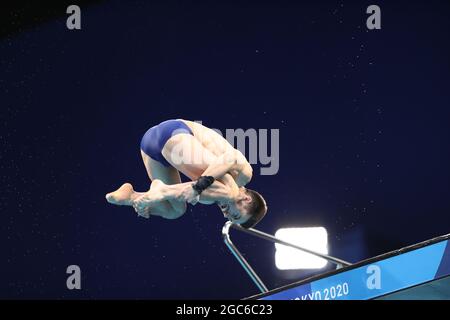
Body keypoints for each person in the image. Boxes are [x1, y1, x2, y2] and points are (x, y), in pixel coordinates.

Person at [106, 119, 267, 228]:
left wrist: (196, 188)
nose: (226, 216)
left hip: (151, 148)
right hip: (174, 133)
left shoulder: (214, 194)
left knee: (175, 211)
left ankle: (130, 196)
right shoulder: (244, 175)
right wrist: (197, 187)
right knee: (229, 191)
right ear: (246, 199)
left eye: (230, 219)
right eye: (235, 216)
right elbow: (230, 157)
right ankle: (162, 190)